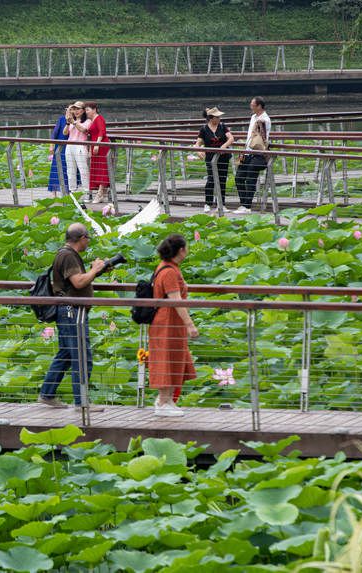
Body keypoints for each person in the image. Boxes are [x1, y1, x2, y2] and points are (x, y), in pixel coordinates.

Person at [38, 223, 105, 411]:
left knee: (66, 355)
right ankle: (82, 403)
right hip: (71, 313)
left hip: (67, 311)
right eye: (88, 238)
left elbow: (77, 282)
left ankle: (47, 394)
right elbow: (78, 282)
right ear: (82, 238)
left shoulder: (65, 253)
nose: (88, 242)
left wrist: (95, 271)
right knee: (82, 356)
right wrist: (95, 269)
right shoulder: (68, 255)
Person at [149, 234, 198, 417]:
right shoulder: (169, 271)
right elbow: (176, 301)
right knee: (166, 359)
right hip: (167, 322)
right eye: (186, 247)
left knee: (173, 357)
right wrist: (190, 325)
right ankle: (162, 402)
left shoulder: (169, 267)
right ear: (181, 250)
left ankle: (167, 400)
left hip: (170, 321)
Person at [234, 96, 271, 214]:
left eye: (253, 105)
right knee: (239, 177)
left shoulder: (265, 119)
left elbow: (263, 137)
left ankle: (247, 206)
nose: (251, 106)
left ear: (259, 106)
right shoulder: (253, 117)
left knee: (251, 179)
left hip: (258, 153)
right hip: (248, 151)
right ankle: (244, 204)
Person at [195, 106, 235, 213]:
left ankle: (221, 204)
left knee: (222, 180)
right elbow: (198, 143)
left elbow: (231, 138)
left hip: (223, 157)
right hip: (210, 158)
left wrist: (224, 146)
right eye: (217, 117)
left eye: (219, 117)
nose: (219, 119)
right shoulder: (204, 129)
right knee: (211, 180)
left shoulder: (222, 126)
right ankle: (208, 203)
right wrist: (199, 151)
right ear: (211, 118)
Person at [64, 102, 92, 197]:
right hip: (70, 146)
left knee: (83, 170)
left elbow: (84, 130)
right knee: (70, 170)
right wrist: (68, 122)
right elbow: (65, 133)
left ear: (83, 110)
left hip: (80, 146)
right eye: (74, 109)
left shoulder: (87, 121)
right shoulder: (72, 121)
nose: (76, 111)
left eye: (78, 109)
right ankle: (73, 192)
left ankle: (87, 192)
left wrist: (74, 122)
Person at [85, 102, 110, 204]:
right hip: (95, 145)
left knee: (102, 169)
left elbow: (102, 131)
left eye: (88, 110)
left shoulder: (99, 118)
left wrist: (97, 144)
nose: (86, 112)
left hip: (101, 146)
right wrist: (91, 148)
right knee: (97, 168)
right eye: (86, 110)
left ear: (94, 109)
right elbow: (91, 134)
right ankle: (102, 193)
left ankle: (100, 194)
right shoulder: (92, 120)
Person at [47, 107, 71, 196]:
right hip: (59, 147)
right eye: (69, 109)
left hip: (69, 147)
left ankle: (67, 192)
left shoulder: (74, 121)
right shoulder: (61, 119)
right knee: (55, 168)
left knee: (67, 170)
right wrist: (51, 145)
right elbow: (55, 133)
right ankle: (54, 192)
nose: (70, 111)